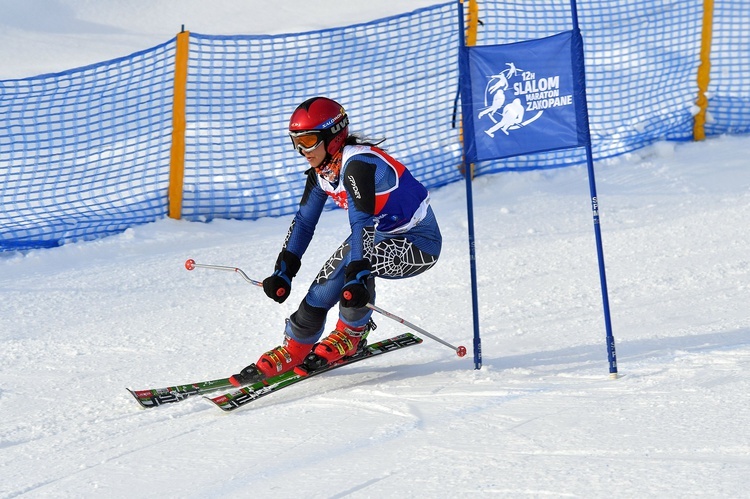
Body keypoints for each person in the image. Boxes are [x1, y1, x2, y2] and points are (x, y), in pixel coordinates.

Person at [230, 96, 442, 386]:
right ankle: (296, 346)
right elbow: (304, 222)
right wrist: (284, 271)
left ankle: (352, 333)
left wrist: (357, 275)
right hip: (379, 233)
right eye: (296, 141)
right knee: (324, 286)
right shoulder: (323, 172)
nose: (302, 150)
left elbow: (361, 222)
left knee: (353, 270)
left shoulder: (359, 165)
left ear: (332, 137)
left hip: (419, 242)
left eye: (308, 140)